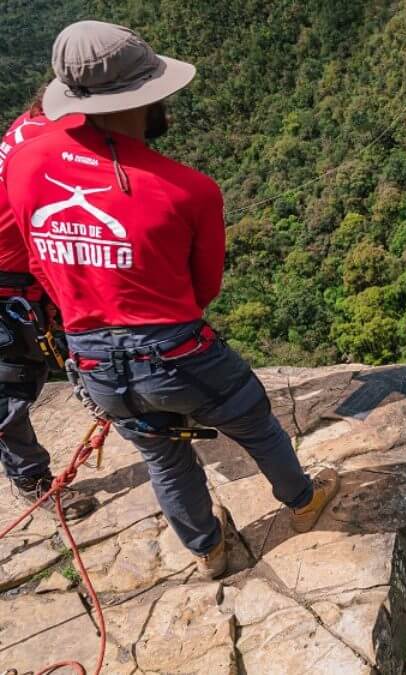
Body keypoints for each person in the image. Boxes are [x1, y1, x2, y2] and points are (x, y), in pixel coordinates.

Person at [4, 21, 339, 579]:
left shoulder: (23, 164)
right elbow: (203, 290)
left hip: (90, 359)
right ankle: (303, 502)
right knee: (254, 422)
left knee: (162, 454)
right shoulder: (189, 189)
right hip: (177, 351)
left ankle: (209, 551)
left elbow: (38, 262)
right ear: (142, 98)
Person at [0, 88, 96, 519]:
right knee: (12, 382)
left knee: (22, 373)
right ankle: (30, 479)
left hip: (15, 278)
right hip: (11, 284)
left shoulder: (28, 126)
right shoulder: (56, 142)